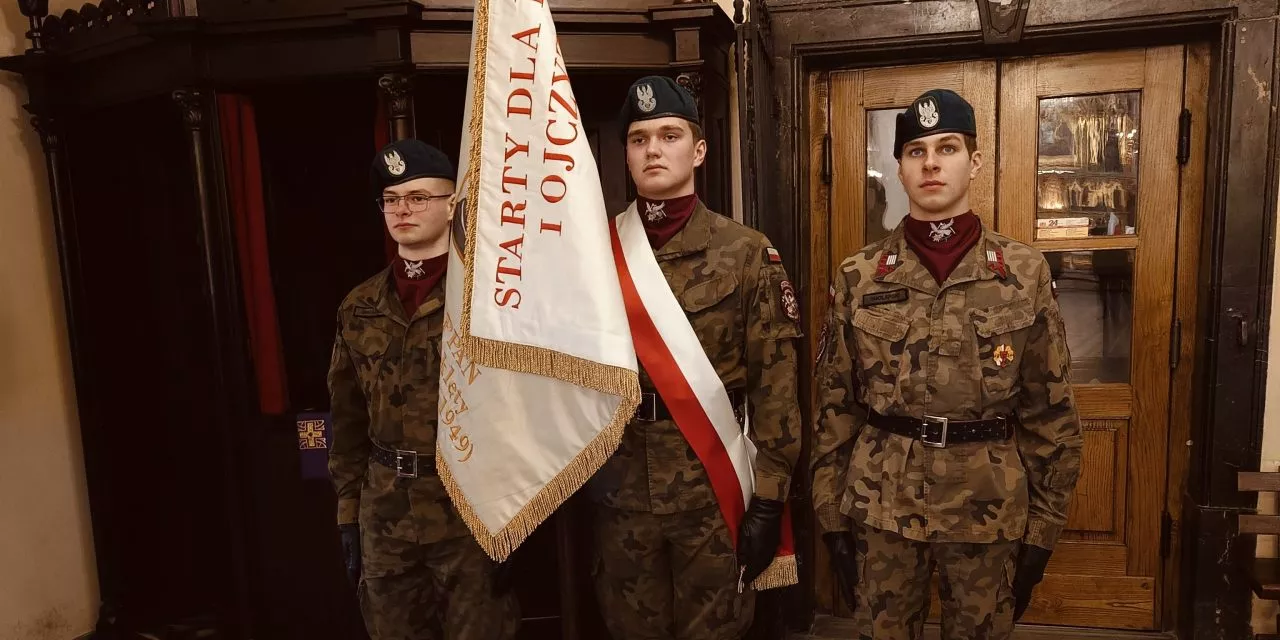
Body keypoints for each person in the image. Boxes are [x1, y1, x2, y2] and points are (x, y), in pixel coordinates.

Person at [811, 89, 1083, 639]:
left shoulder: (1023, 273)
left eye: (947, 147)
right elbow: (834, 408)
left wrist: (1044, 529)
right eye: (916, 151)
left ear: (974, 161)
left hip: (988, 504)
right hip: (882, 505)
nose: (931, 163)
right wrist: (830, 516)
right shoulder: (860, 275)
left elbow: (1050, 412)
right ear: (900, 169)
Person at [586, 75, 803, 639]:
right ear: (626, 154)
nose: (653, 150)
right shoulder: (594, 253)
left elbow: (776, 385)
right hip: (619, 487)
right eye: (639, 139)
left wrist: (769, 498)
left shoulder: (746, 252)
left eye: (670, 135)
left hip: (710, 488)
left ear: (699, 150)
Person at [327, 138, 520, 639]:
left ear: (452, 205)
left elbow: (521, 415)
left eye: (418, 197)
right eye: (391, 200)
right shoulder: (359, 306)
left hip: (469, 510)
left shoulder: (490, 297)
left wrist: (514, 519)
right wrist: (349, 514)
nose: (402, 210)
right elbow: (347, 421)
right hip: (386, 513)